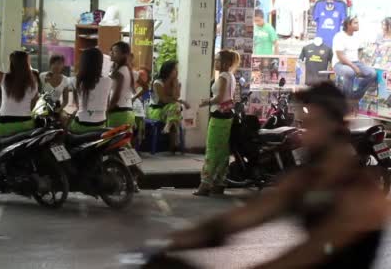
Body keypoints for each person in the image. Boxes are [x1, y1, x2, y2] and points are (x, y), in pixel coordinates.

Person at [157, 82, 388, 269]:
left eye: (311, 126)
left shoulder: (361, 190)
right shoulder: (308, 179)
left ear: (334, 126)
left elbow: (315, 250)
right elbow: (250, 214)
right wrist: (181, 239)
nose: (303, 136)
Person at [194, 50, 240, 196]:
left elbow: (219, 98)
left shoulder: (223, 77)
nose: (215, 62)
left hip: (219, 117)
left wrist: (206, 102)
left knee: (212, 150)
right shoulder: (231, 76)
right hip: (227, 117)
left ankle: (205, 184)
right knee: (222, 152)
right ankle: (219, 183)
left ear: (226, 63)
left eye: (218, 60)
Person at [0, 39, 38, 137]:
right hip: (26, 124)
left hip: (5, 123)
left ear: (12, 64)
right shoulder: (33, 82)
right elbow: (33, 103)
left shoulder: (5, 78)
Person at [147, 60, 189, 153]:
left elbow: (175, 96)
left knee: (175, 108)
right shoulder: (158, 83)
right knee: (176, 107)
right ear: (168, 70)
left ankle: (168, 126)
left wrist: (175, 85)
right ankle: (173, 146)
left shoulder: (177, 83)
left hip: (170, 111)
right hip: (157, 110)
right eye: (175, 69)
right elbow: (163, 99)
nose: (177, 72)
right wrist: (181, 101)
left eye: (177, 70)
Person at [68, 48, 112, 134]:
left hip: (81, 125)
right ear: (101, 63)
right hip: (100, 125)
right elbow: (107, 104)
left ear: (83, 62)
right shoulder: (108, 81)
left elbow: (76, 105)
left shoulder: (76, 80)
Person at [333, 16, 376, 102]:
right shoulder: (339, 36)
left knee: (372, 73)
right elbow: (340, 56)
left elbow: (360, 50)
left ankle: (355, 96)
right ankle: (346, 100)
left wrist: (363, 62)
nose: (358, 25)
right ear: (348, 25)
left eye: (358, 22)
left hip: (355, 62)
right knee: (350, 72)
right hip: (340, 63)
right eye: (355, 23)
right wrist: (354, 67)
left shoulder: (357, 36)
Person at [108, 42, 136, 128]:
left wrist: (107, 110)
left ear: (124, 55)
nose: (111, 53)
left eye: (115, 51)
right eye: (111, 51)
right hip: (127, 112)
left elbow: (116, 95)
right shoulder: (125, 69)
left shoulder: (120, 71)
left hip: (118, 114)